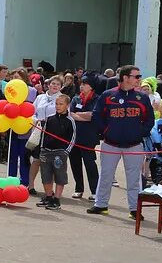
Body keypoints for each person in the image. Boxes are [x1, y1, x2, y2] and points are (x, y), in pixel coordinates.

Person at [86, 65, 154, 216]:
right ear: (125, 77)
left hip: (134, 145)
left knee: (134, 178)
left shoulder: (142, 97)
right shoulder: (108, 95)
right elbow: (97, 116)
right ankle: (101, 204)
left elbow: (150, 119)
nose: (139, 79)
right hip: (111, 143)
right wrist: (105, 132)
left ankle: (135, 209)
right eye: (136, 76)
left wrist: (140, 133)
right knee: (106, 175)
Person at [37, 93, 76, 210]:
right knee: (46, 176)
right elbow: (43, 135)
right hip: (46, 151)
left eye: (61, 104)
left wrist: (66, 151)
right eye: (56, 104)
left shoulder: (70, 121)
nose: (58, 106)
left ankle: (57, 200)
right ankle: (49, 197)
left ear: (67, 105)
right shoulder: (50, 119)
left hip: (60, 153)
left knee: (60, 176)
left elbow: (72, 138)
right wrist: (42, 148)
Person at [28, 75, 64, 195]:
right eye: (53, 84)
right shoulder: (40, 97)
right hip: (38, 130)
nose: (55, 86)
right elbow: (32, 111)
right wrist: (35, 120)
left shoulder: (62, 98)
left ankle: (49, 190)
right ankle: (31, 185)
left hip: (52, 132)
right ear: (49, 84)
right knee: (36, 159)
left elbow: (63, 114)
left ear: (61, 87)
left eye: (58, 85)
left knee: (50, 161)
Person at [68, 74, 100, 200]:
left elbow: (93, 115)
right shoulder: (76, 99)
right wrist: (82, 116)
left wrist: (79, 115)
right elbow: (71, 114)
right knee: (75, 163)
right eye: (81, 84)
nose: (81, 86)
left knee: (90, 164)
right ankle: (78, 188)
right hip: (75, 136)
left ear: (91, 87)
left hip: (89, 137)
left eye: (84, 84)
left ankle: (95, 190)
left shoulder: (97, 99)